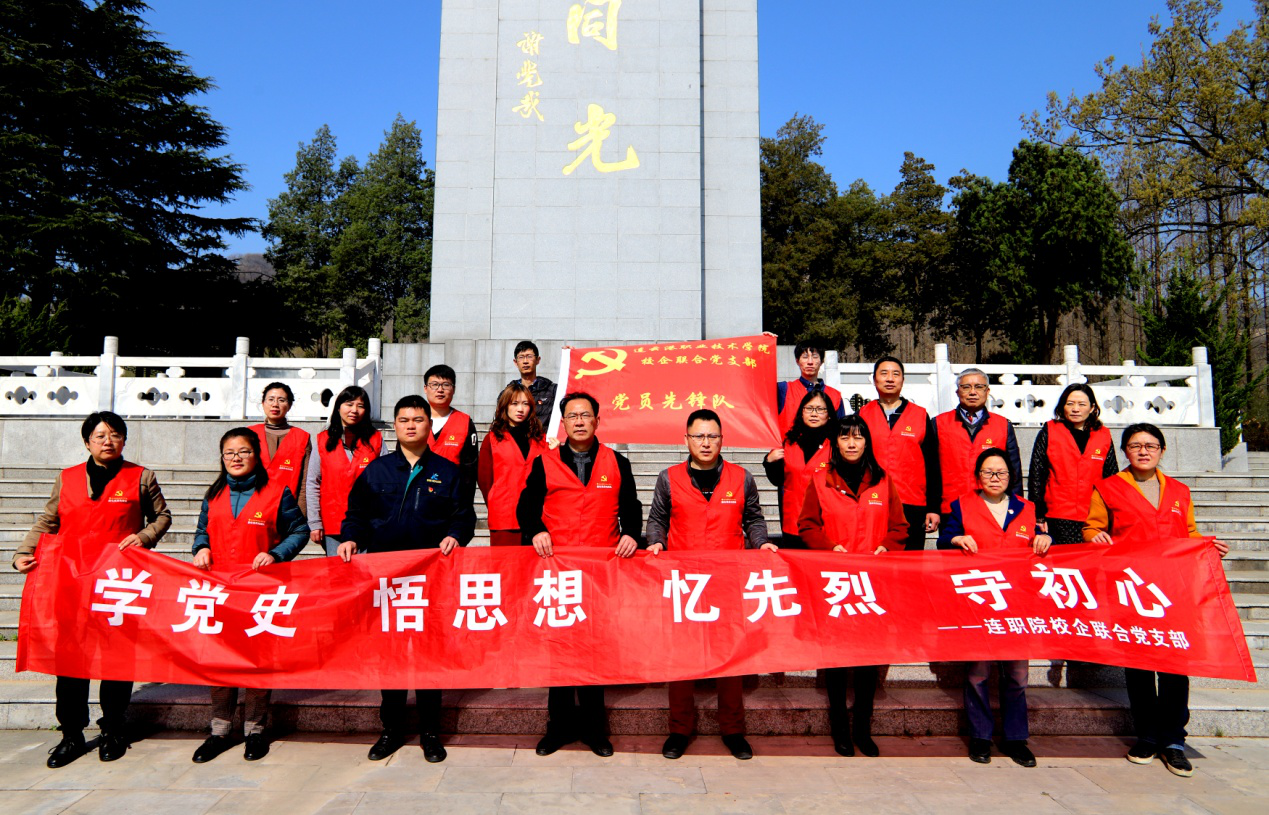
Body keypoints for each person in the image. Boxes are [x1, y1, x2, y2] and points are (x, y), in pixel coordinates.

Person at [14, 412, 173, 768]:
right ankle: (71, 735)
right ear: (87, 441)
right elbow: (48, 520)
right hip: (72, 584)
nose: (107, 441)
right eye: (99, 435)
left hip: (118, 585)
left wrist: (145, 537)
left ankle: (113, 730)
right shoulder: (67, 478)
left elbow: (162, 516)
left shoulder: (140, 477)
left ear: (124, 440)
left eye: (115, 435)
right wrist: (24, 552)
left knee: (117, 660)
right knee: (70, 662)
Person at [338, 394, 478, 763]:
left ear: (429, 427)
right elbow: (356, 514)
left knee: (430, 655)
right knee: (392, 656)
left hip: (431, 579)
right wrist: (351, 537)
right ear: (395, 426)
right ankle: (391, 730)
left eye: (418, 419)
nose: (411, 425)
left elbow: (464, 517)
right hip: (387, 579)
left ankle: (431, 732)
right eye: (404, 420)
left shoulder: (448, 472)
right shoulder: (377, 471)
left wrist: (456, 536)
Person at [1084, 423, 1229, 778]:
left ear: (1162, 451)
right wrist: (1095, 536)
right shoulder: (1108, 487)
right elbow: (1091, 527)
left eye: (1151, 445)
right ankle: (1147, 735)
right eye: (1135, 446)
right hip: (1133, 590)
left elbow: (1189, 533)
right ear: (1126, 452)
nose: (1143, 451)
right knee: (1139, 664)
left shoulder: (1179, 491)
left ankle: (1174, 740)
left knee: (1176, 665)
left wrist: (1207, 546)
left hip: (1174, 590)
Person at [517, 391, 643, 758]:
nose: (580, 421)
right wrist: (536, 530)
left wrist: (631, 535)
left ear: (597, 420)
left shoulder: (617, 462)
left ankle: (593, 730)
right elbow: (527, 505)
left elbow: (631, 507)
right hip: (558, 570)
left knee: (594, 650)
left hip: (600, 571)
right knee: (559, 651)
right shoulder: (545, 462)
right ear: (564, 422)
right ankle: (557, 728)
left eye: (586, 415)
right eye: (572, 416)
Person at [645, 409, 775, 762]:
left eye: (712, 436)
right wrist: (655, 541)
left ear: (722, 439)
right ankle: (679, 729)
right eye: (699, 436)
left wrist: (761, 543)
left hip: (727, 581)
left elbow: (753, 518)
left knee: (730, 659)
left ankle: (733, 730)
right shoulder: (668, 477)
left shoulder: (741, 477)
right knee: (682, 659)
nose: (706, 442)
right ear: (685, 439)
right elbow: (657, 519)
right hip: (684, 583)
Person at [189, 428, 309, 764]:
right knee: (220, 661)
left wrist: (276, 553)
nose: (236, 458)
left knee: (257, 663)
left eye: (244, 451)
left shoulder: (275, 492)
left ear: (257, 456)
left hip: (259, 592)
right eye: (229, 453)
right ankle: (220, 730)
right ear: (222, 457)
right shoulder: (213, 496)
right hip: (219, 592)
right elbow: (202, 532)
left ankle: (256, 730)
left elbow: (299, 530)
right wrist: (201, 548)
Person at [799, 414, 906, 758]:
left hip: (872, 585)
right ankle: (840, 731)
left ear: (867, 442)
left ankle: (863, 728)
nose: (851, 443)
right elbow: (807, 525)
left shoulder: (883, 480)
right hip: (835, 583)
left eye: (858, 437)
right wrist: (830, 548)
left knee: (867, 660)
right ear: (835, 443)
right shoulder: (820, 480)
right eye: (845, 437)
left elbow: (900, 526)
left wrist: (886, 547)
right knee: (837, 660)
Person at [939, 448, 1052, 768]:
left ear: (1011, 477)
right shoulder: (962, 505)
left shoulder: (1027, 508)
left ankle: (1016, 739)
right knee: (978, 672)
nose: (994, 478)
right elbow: (943, 539)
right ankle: (980, 737)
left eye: (1000, 473)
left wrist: (1045, 540)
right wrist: (957, 539)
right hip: (978, 603)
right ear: (978, 476)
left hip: (1017, 604)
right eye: (988, 472)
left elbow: (1040, 540)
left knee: (1017, 674)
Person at [857, 356, 941, 550]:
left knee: (910, 564)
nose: (890, 379)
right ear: (874, 379)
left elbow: (932, 465)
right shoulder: (863, 414)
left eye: (896, 374)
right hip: (873, 502)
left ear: (903, 380)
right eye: (884, 373)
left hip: (911, 502)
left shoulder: (919, 415)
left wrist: (933, 508)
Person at [931, 368, 1022, 530]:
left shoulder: (1002, 425)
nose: (973, 392)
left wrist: (1017, 508)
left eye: (979, 387)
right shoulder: (939, 424)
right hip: (951, 508)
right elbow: (930, 471)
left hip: (993, 507)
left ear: (987, 392)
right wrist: (932, 508)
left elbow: (1014, 471)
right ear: (957, 391)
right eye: (966, 387)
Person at [1028, 384, 1118, 545]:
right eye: (1070, 404)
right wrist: (1038, 515)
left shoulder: (1103, 435)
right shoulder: (1050, 431)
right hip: (1057, 515)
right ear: (1062, 407)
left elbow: (1111, 478)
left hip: (1093, 516)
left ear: (1092, 408)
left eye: (1081, 404)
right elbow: (1037, 475)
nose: (1075, 409)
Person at [305, 385, 381, 557]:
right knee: (338, 577)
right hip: (333, 524)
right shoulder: (323, 441)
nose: (354, 410)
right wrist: (315, 522)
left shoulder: (376, 440)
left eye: (360, 406)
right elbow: (312, 482)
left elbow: (385, 481)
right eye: (349, 404)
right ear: (338, 407)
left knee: (367, 578)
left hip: (368, 523)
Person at [479, 383, 551, 546]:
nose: (520, 409)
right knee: (504, 568)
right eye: (514, 403)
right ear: (505, 406)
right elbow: (485, 480)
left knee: (535, 570)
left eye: (525, 404)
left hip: (538, 519)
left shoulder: (541, 439)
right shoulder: (492, 439)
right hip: (505, 516)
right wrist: (497, 500)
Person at [763, 390, 835, 548]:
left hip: (825, 524)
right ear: (801, 412)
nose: (814, 414)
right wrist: (769, 461)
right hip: (793, 522)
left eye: (820, 409)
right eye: (809, 409)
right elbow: (777, 479)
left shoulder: (836, 444)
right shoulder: (789, 442)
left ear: (829, 414)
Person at [249, 382, 310, 515]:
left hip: (287, 509)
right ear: (263, 403)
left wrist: (300, 514)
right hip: (251, 507)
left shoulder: (302, 437)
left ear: (289, 405)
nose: (275, 404)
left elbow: (305, 482)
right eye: (270, 399)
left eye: (281, 400)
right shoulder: (248, 435)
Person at [424, 364, 479, 489]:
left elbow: (470, 469)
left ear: (453, 390)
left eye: (446, 385)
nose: (440, 390)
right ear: (425, 388)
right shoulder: (415, 420)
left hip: (452, 495)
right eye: (434, 384)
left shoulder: (464, 422)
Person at [776, 342, 846, 437]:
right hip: (790, 449)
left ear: (821, 361)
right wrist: (765, 343)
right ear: (797, 361)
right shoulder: (783, 389)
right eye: (805, 357)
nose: (810, 362)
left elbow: (841, 431)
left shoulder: (835, 395)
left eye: (815, 357)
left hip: (825, 450)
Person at [511, 340, 558, 427]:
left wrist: (572, 358)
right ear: (515, 362)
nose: (525, 361)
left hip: (542, 439)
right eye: (521, 357)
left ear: (538, 360)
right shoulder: (508, 393)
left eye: (529, 356)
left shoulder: (552, 390)